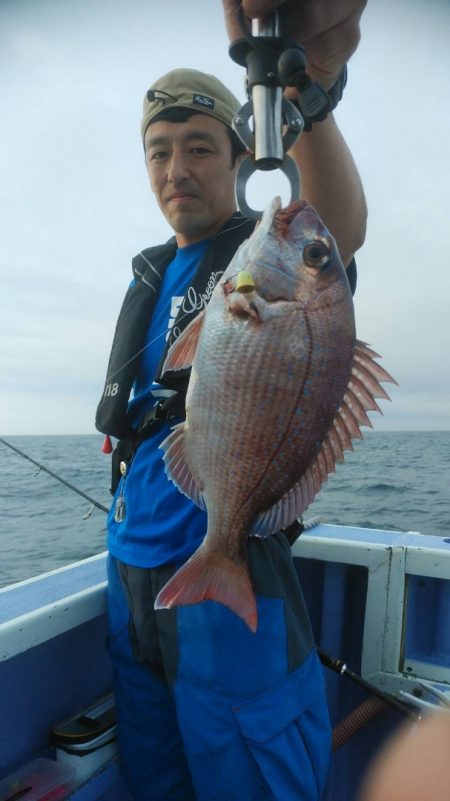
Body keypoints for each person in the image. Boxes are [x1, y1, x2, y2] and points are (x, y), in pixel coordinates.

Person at [96, 2, 367, 799]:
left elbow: (340, 229)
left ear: (243, 159)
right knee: (156, 777)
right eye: (159, 152)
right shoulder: (150, 276)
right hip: (129, 575)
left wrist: (310, 93)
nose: (176, 168)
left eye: (199, 147)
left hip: (230, 568)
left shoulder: (265, 255)